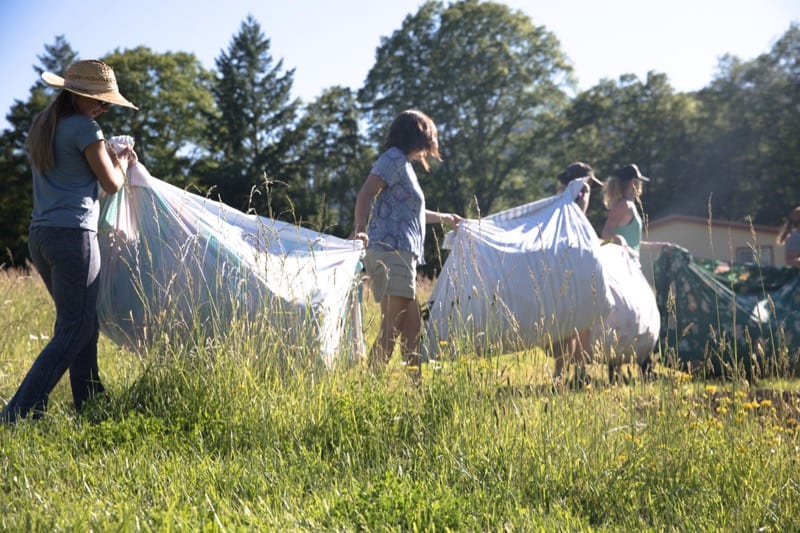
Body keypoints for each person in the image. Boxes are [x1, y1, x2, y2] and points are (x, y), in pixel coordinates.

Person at [1, 60, 138, 423]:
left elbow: (71, 172)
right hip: (74, 235)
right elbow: (111, 184)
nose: (105, 108)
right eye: (100, 101)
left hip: (41, 236)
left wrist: (103, 153)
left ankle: (91, 405)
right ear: (77, 95)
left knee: (81, 325)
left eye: (107, 103)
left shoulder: (44, 126)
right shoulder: (85, 128)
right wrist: (122, 159)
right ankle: (19, 412)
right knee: (75, 328)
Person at [352, 109, 463, 378]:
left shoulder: (404, 165)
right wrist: (359, 230)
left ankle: (415, 393)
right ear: (418, 135)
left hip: (403, 254)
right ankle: (368, 389)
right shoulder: (392, 159)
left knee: (412, 329)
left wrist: (446, 218)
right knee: (392, 326)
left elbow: (411, 212)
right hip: (391, 252)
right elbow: (366, 191)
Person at [552, 162, 603, 384]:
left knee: (575, 321)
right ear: (581, 187)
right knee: (576, 320)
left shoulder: (558, 206)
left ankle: (571, 373)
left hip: (565, 261)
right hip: (574, 262)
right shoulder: (576, 204)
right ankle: (568, 374)